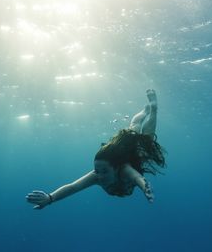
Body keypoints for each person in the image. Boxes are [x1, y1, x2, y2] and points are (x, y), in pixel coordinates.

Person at [26, 89, 166, 209]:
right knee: (135, 128)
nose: (99, 175)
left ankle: (153, 109)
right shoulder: (96, 177)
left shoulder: (124, 170)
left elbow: (137, 178)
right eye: (97, 170)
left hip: (133, 153)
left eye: (104, 171)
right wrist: (49, 198)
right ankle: (146, 111)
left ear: (116, 168)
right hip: (119, 154)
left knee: (144, 138)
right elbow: (73, 187)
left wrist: (145, 187)